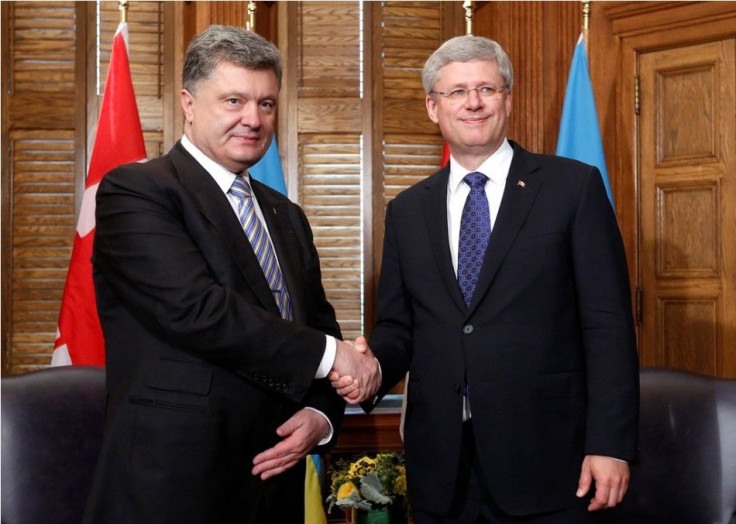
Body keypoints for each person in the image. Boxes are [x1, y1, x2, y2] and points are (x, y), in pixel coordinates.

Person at [334, 35, 639, 523]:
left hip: (550, 463)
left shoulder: (572, 188)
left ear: (508, 99)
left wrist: (611, 445)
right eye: (456, 92)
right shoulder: (408, 210)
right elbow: (399, 327)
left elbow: (608, 327)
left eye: (486, 89)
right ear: (434, 107)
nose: (472, 103)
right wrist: (369, 369)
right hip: (443, 469)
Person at [84, 25, 378, 523]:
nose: (253, 119)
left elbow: (316, 328)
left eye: (266, 104)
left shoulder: (285, 214)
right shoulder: (137, 192)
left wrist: (322, 415)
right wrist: (337, 358)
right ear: (189, 103)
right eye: (234, 100)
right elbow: (198, 310)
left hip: (274, 482)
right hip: (176, 483)